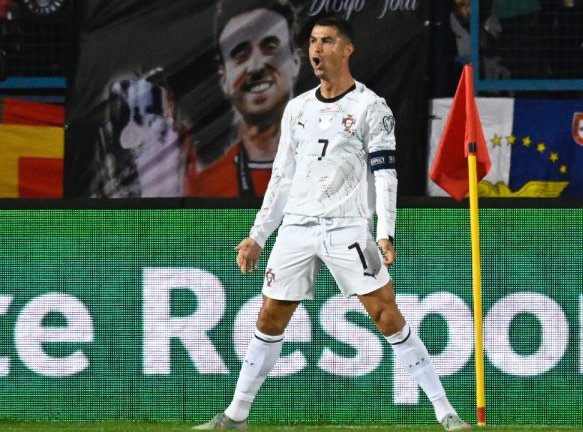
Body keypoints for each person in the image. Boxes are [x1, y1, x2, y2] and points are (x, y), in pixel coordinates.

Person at [194, 16, 470, 431]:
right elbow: (281, 178)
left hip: (347, 226)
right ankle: (235, 416)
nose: (316, 50)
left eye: (326, 41)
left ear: (346, 49)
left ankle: (445, 411)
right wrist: (257, 235)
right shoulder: (297, 109)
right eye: (312, 42)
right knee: (269, 316)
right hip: (297, 227)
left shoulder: (371, 107)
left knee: (386, 314)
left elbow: (386, 175)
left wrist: (385, 232)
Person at [184, 0, 301, 197]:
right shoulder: (206, 188)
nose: (255, 66)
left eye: (270, 46)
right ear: (224, 81)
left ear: (296, 61)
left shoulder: (337, 169)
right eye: (240, 53)